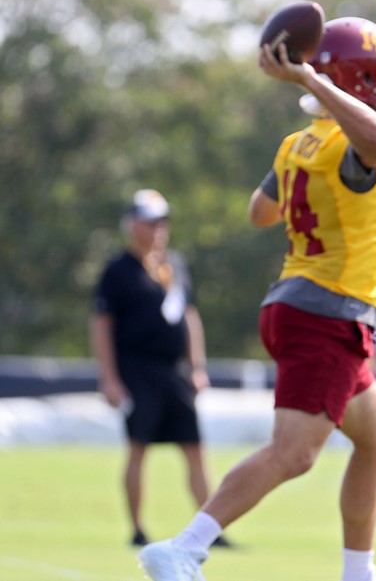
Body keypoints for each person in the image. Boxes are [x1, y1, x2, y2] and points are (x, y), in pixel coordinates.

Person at [138, 16, 376, 581]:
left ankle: (359, 573)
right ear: (354, 81)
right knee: (295, 453)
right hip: (326, 310)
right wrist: (313, 83)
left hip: (306, 303)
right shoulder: (354, 145)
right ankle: (185, 547)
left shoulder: (299, 144)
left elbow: (260, 212)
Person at [90, 189, 225, 548]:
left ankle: (210, 530)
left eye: (162, 222)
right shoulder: (118, 271)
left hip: (174, 372)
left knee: (194, 449)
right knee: (138, 448)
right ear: (133, 225)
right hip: (137, 370)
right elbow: (102, 324)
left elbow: (190, 316)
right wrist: (110, 378)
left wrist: (197, 366)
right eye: (151, 222)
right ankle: (137, 528)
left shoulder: (174, 265)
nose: (158, 229)